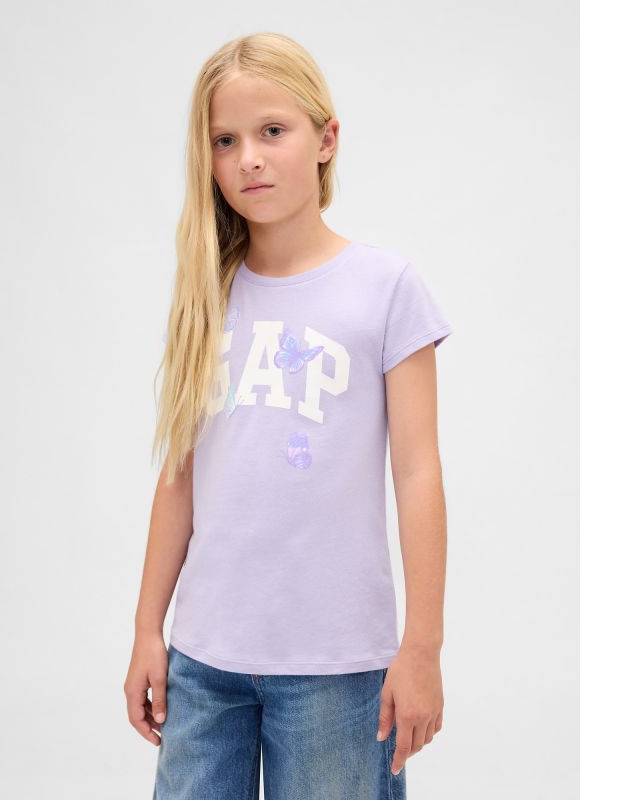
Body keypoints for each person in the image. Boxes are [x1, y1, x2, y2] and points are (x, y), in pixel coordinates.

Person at [124, 31, 453, 800]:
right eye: (225, 140)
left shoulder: (386, 288)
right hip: (204, 664)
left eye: (272, 131)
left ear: (326, 139)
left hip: (337, 669)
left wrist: (423, 648)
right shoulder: (207, 294)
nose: (249, 158)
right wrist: (147, 630)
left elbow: (417, 473)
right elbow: (179, 477)